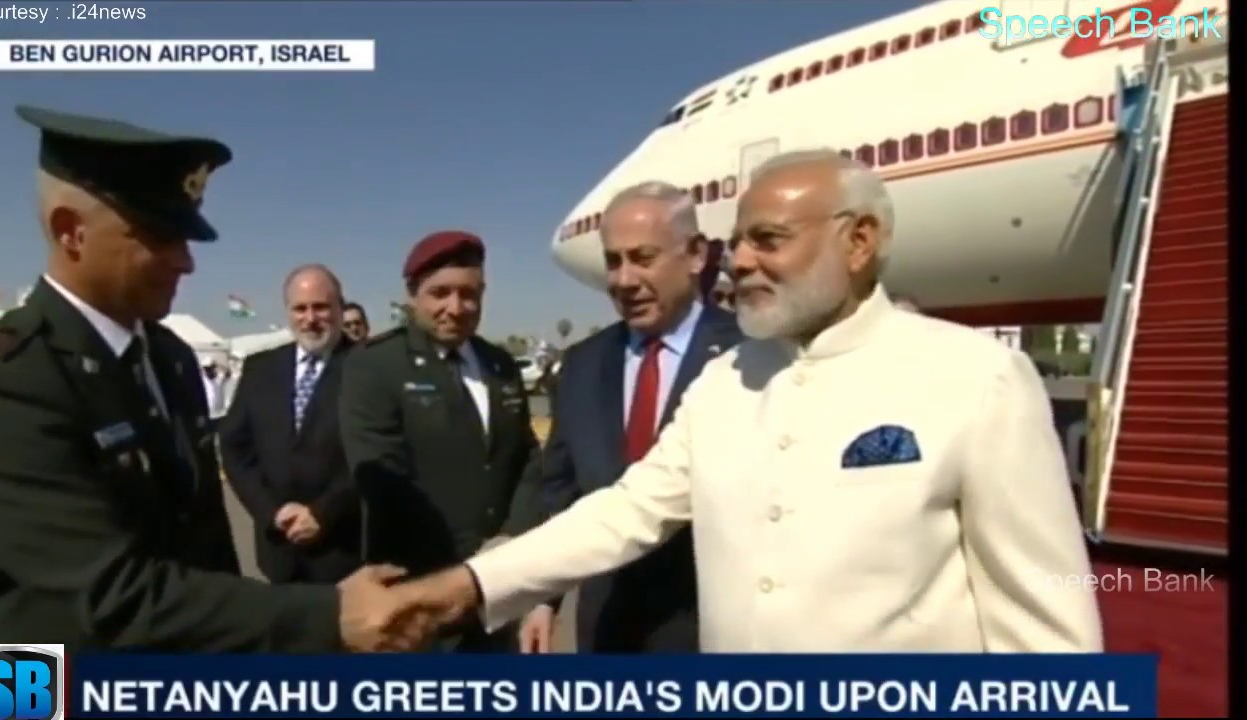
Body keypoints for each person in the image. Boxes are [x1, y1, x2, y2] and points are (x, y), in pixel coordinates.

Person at [376, 148, 1104, 653]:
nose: (742, 259)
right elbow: (622, 513)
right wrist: (467, 585)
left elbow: (1047, 620)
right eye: (739, 240)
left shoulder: (976, 377)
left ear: (859, 242)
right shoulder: (727, 381)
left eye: (769, 239)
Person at [0, 105, 408, 652]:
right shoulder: (6, 382)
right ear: (70, 232)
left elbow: (206, 543)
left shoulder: (169, 357)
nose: (186, 263)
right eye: (158, 234)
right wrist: (328, 615)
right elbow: (112, 594)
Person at [517, 181, 741, 654]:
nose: (622, 279)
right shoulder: (582, 364)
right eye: (613, 261)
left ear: (697, 255)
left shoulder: (751, 354)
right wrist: (544, 599)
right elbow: (559, 491)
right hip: (608, 626)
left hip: (714, 630)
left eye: (642, 257)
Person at [339, 230, 542, 652]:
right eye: (440, 293)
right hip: (418, 594)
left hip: (497, 587)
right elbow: (383, 477)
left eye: (469, 294)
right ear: (412, 296)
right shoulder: (375, 366)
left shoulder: (499, 365)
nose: (456, 307)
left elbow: (526, 459)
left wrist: (511, 538)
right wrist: (465, 567)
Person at [219, 264, 362, 584]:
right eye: (300, 308)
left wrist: (325, 513)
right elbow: (234, 446)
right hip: (278, 551)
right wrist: (270, 511)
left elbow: (380, 453)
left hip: (346, 553)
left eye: (321, 307)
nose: (310, 319)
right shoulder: (261, 368)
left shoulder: (368, 368)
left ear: (340, 308)